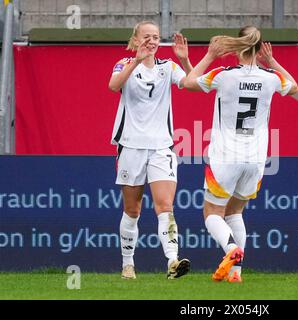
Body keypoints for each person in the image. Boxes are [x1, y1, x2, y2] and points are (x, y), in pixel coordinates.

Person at [184, 26, 298, 283]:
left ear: (238, 48)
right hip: (256, 159)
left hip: (225, 156)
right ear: (259, 50)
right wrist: (272, 61)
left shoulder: (225, 75)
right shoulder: (271, 78)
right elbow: (295, 87)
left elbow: (188, 83)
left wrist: (210, 55)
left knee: (212, 213)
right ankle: (236, 274)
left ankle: (231, 250)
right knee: (235, 213)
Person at [108, 21, 192, 280]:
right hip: (131, 146)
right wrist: (136, 60)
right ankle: (128, 264)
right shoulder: (124, 64)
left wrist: (186, 61)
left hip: (161, 147)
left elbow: (193, 83)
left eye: (156, 37)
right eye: (146, 37)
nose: (152, 41)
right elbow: (113, 85)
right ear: (135, 40)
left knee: (165, 205)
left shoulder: (168, 67)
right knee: (132, 210)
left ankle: (172, 261)